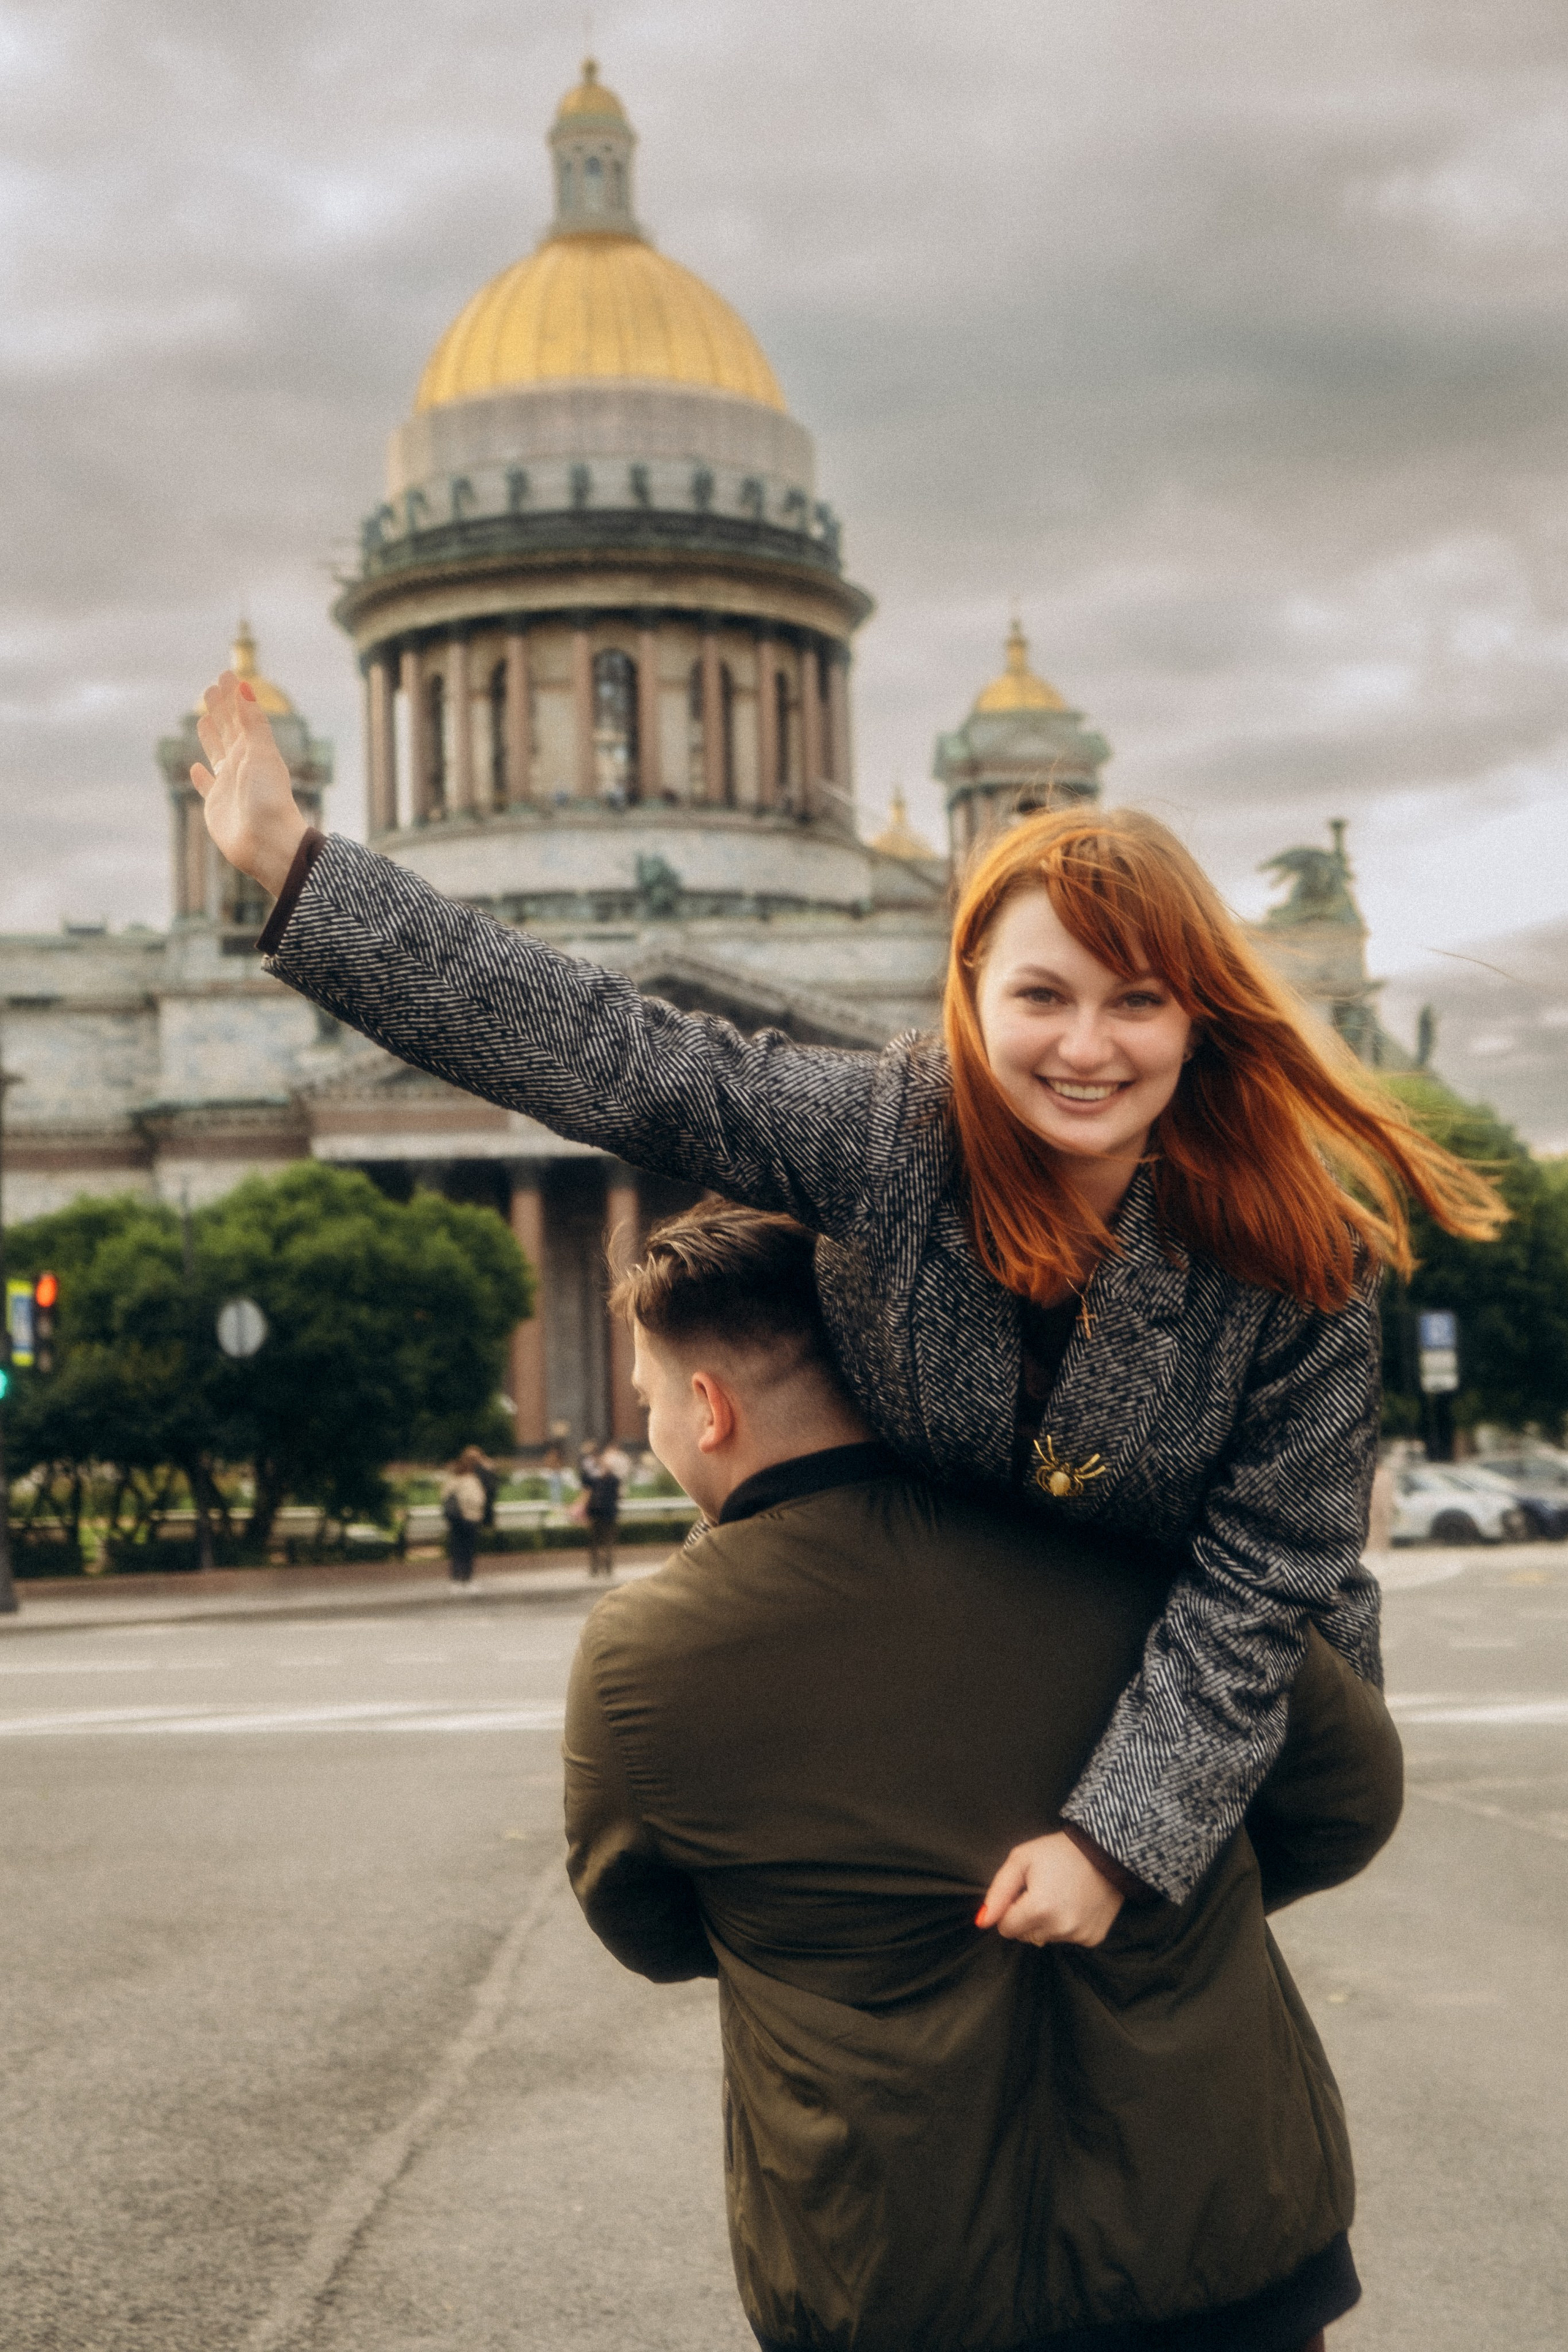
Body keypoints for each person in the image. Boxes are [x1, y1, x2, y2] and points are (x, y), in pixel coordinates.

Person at [190, 673, 1500, 1934]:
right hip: (962, 1683)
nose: (1086, 1049)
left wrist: (1118, 1842)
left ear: (1194, 1021)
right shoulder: (887, 1132)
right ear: (972, 991)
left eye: (1135, 1005)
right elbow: (616, 1060)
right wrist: (296, 864)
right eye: (1041, 995)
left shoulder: (1297, 1253)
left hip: (1228, 1732)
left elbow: (1265, 1578)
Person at [565, 1202, 1403, 2352]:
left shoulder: (642, 1657)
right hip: (1220, 2229)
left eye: (652, 1398)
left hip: (891, 2265)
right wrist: (1175, 1882)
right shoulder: (1136, 1547)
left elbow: (649, 1925)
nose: (656, 1426)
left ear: (708, 1410)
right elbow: (1348, 1801)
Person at [439, 1445, 488, 1588]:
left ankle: (455, 1577)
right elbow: (479, 1499)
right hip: (470, 1519)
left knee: (457, 1548)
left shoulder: (451, 1481)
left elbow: (444, 1497)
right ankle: (467, 1577)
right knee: (468, 1549)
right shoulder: (472, 1480)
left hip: (455, 1519)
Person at [579, 1441, 623, 1578]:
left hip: (607, 1514)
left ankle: (606, 1568)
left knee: (606, 1543)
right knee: (595, 1543)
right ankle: (596, 1568)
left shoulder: (611, 1480)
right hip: (598, 1513)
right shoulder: (596, 1479)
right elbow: (584, 1480)